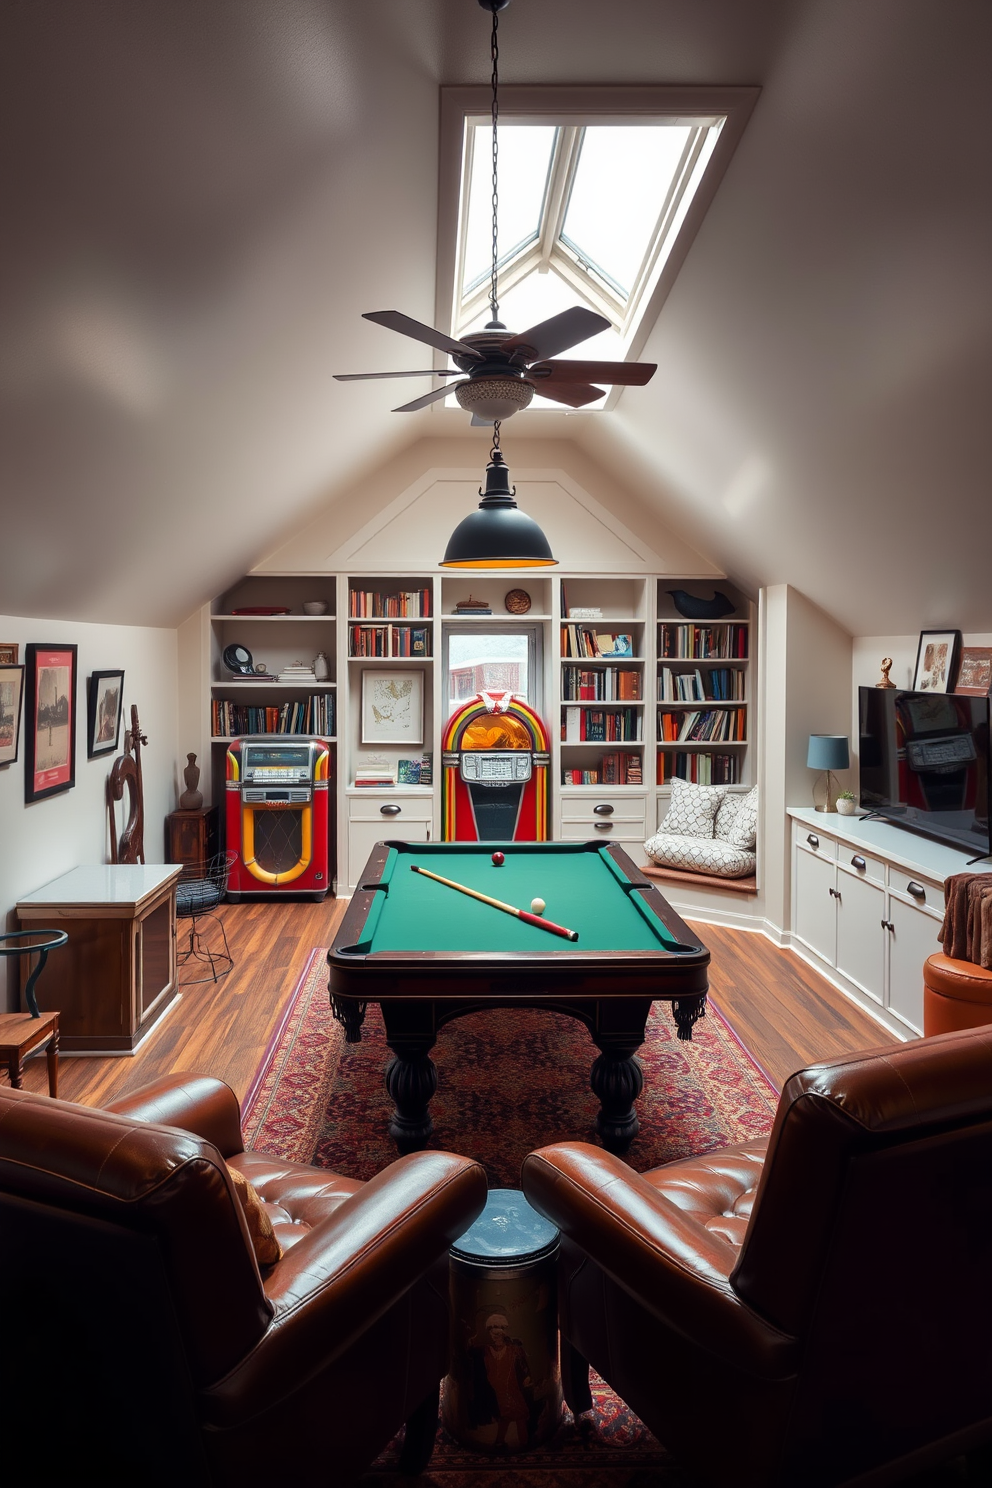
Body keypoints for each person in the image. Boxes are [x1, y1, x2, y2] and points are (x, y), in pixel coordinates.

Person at [466, 1313, 535, 1450]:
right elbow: (470, 1353)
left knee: (517, 1414)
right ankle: (515, 1442)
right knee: (509, 1415)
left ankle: (519, 1442)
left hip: (512, 1389)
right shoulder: (483, 1351)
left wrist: (527, 1376)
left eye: (499, 1333)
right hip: (496, 1392)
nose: (496, 1337)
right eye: (493, 1333)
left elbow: (523, 1366)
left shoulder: (514, 1350)